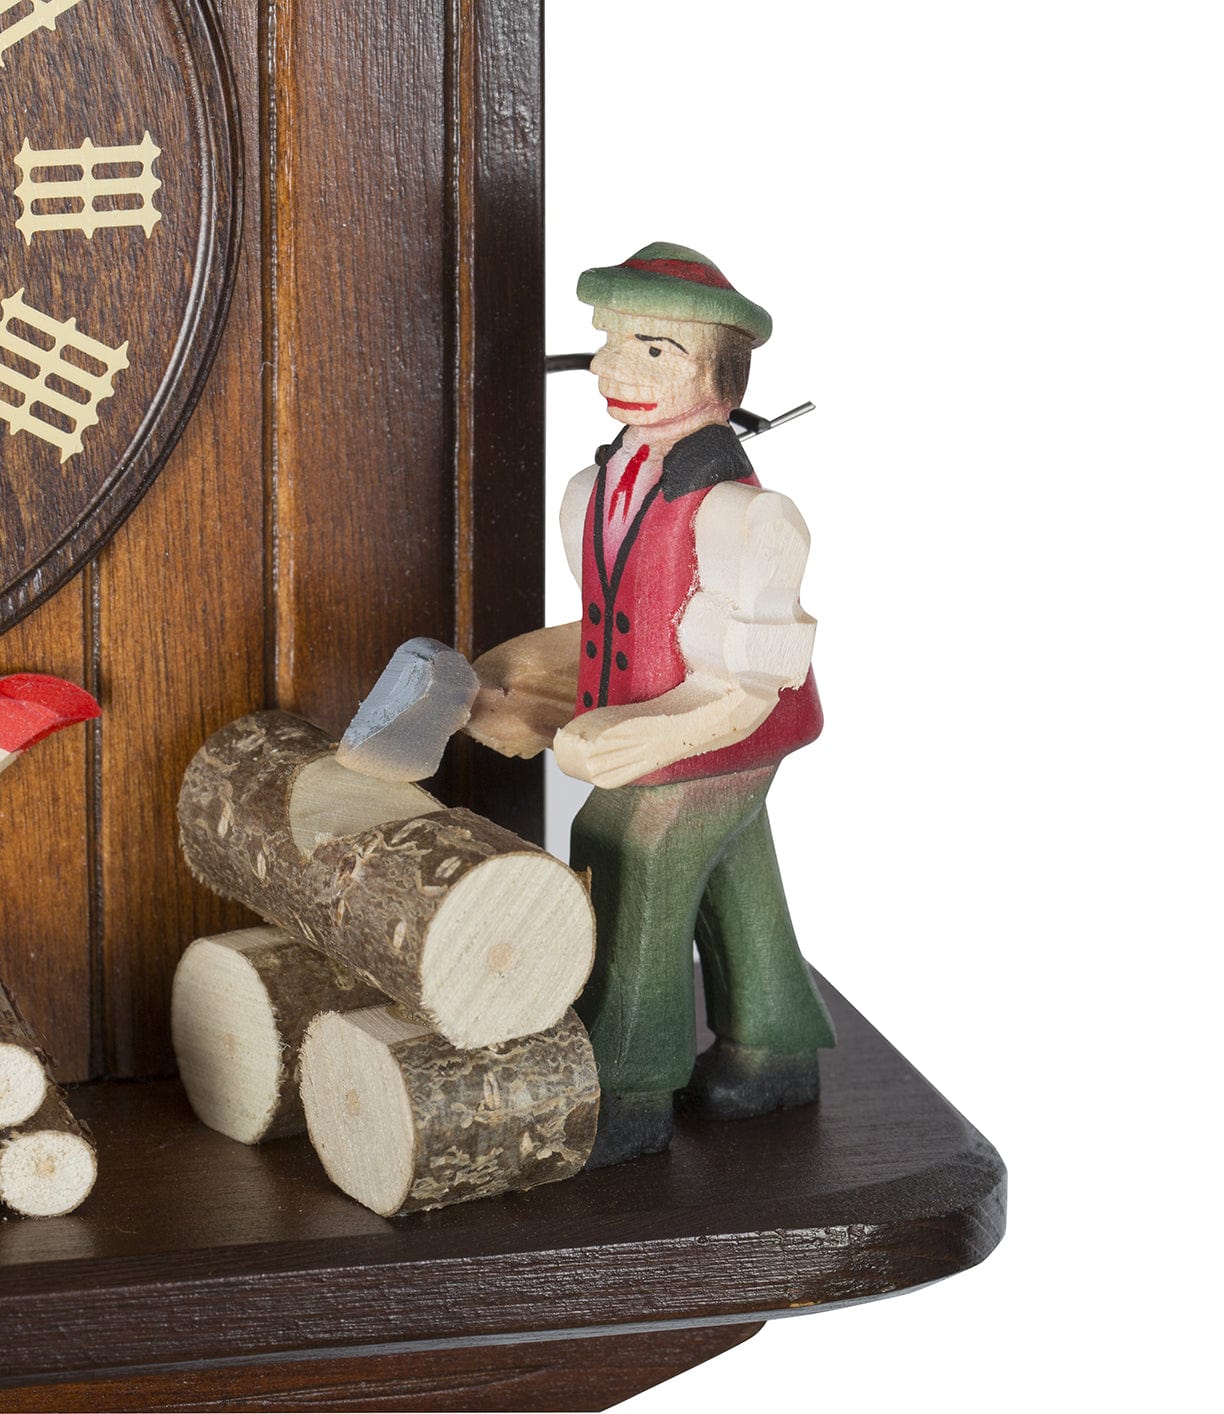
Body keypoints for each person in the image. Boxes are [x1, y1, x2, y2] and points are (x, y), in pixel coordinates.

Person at [467, 243, 834, 1167]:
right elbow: (616, 626)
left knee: (626, 846)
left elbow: (750, 681)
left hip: (727, 733)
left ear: (723, 375)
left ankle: (626, 1091)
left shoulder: (746, 519)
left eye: (654, 349)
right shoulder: (594, 491)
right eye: (610, 341)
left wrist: (636, 744)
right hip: (663, 733)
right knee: (731, 861)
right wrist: (526, 679)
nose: (612, 368)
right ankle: (776, 1045)